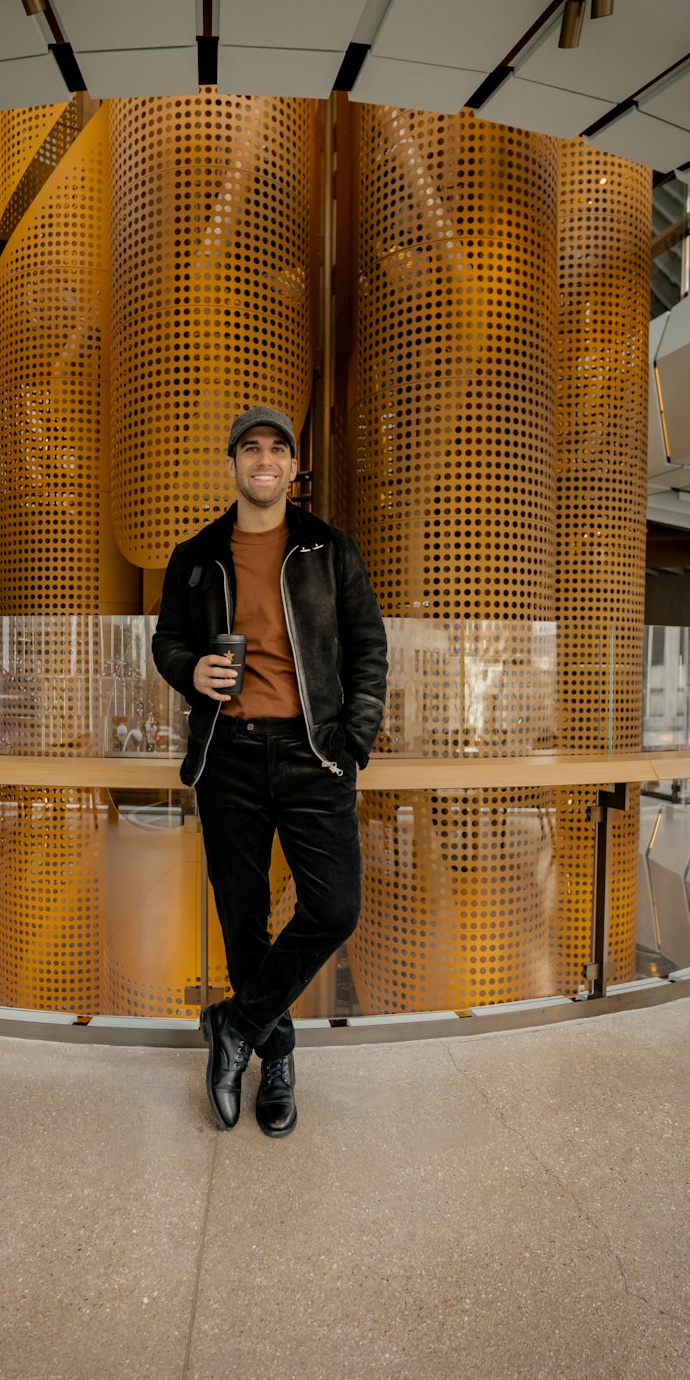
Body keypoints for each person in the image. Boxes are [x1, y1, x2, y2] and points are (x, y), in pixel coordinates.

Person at [152, 405, 387, 1137]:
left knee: (334, 908)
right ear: (232, 464)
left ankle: (237, 1025)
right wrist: (192, 671)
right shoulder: (195, 556)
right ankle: (277, 1056)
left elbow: (368, 649)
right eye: (250, 448)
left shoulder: (328, 549)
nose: (263, 460)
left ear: (291, 467)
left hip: (314, 754)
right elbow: (166, 644)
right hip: (228, 755)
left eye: (277, 450)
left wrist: (353, 738)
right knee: (242, 919)